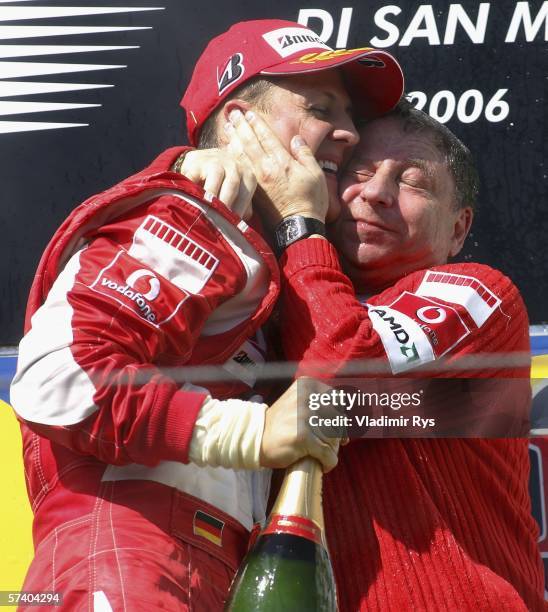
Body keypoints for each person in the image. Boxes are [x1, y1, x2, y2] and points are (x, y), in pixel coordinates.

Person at [9, 19, 404, 611]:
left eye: (349, 117)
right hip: (130, 561)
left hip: (189, 568)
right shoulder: (199, 213)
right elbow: (58, 379)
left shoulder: (254, 244)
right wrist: (255, 432)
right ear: (240, 122)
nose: (348, 133)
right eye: (321, 107)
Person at [201, 101, 545, 610]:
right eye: (357, 172)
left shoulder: (482, 295)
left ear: (458, 228)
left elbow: (343, 373)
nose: (377, 193)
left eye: (413, 183)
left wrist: (299, 224)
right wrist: (186, 170)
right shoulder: (263, 308)